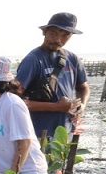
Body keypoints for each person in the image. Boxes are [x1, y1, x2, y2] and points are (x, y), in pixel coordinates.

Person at [17, 12, 89, 140]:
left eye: (65, 35)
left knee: (63, 159)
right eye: (53, 33)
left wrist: (82, 105)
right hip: (38, 133)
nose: (58, 39)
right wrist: (57, 107)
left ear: (71, 36)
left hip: (66, 131)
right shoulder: (33, 60)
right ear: (44, 32)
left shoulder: (72, 59)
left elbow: (83, 87)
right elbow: (16, 102)